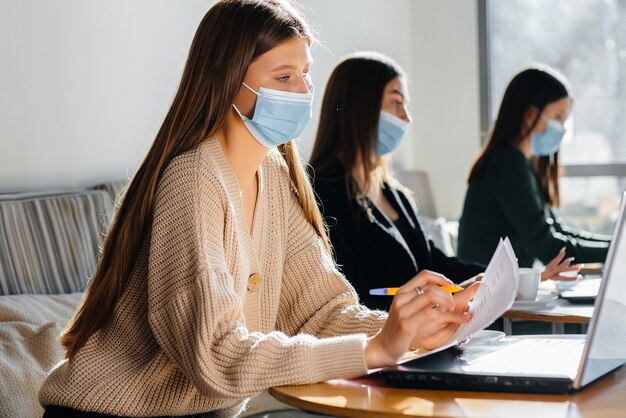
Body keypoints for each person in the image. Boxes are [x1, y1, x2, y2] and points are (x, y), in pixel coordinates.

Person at [39, 2, 479, 417]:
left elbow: (321, 313)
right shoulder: (191, 178)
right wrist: (375, 350)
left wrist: (409, 331)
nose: (305, 91)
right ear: (228, 80)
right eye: (284, 77)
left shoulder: (273, 177)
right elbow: (216, 355)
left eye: (306, 74)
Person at [308, 52, 487, 311]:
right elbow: (350, 294)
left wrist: (495, 277)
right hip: (379, 338)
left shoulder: (394, 194)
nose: (407, 117)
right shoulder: (322, 193)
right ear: (361, 105)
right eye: (396, 103)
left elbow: (432, 262)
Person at [458, 65, 610, 270]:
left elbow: (556, 230)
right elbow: (549, 248)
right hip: (490, 292)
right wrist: (617, 250)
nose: (562, 128)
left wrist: (616, 246)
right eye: (557, 117)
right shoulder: (508, 163)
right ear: (530, 114)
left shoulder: (522, 163)